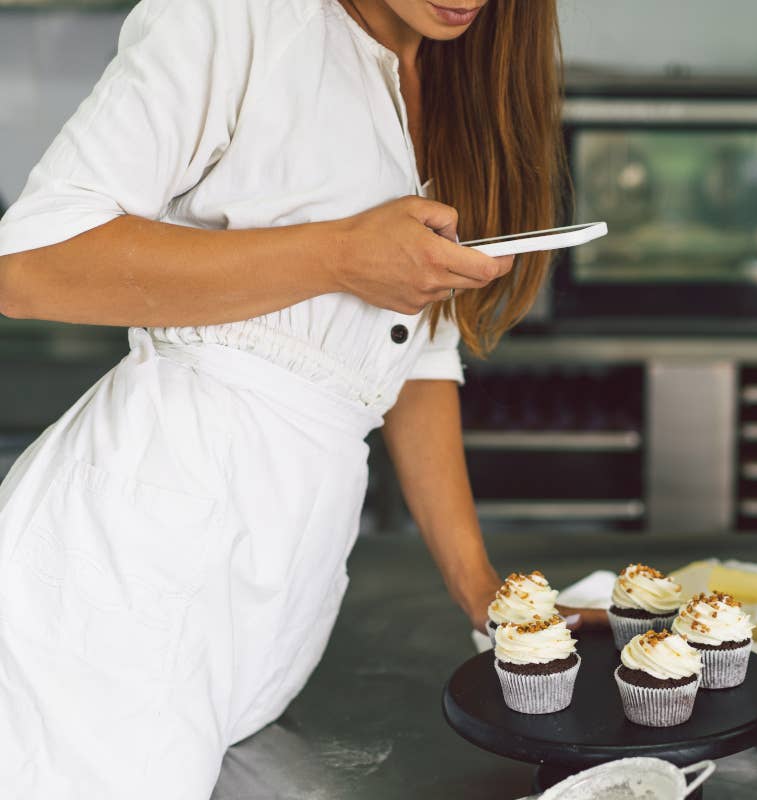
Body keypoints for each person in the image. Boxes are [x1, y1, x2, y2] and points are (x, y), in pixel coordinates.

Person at [0, 0, 594, 796]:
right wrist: (340, 255)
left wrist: (483, 589)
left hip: (291, 584)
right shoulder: (235, 17)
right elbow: (31, 264)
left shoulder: (449, 74)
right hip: (133, 559)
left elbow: (414, 360)